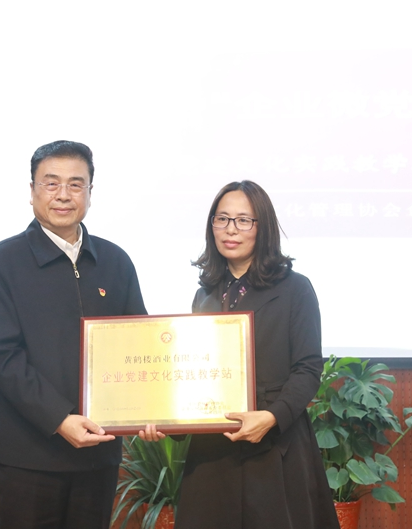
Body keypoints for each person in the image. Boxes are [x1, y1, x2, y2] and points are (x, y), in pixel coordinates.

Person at [141, 180, 339, 528]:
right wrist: (169, 423)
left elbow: (308, 368)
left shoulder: (295, 288)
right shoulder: (205, 295)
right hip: (212, 454)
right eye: (222, 219)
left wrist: (272, 417)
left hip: (274, 445)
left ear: (263, 228)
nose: (230, 229)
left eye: (243, 220)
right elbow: (194, 374)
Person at [0, 140, 147, 528]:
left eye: (76, 184)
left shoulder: (115, 262)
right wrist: (60, 419)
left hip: (98, 451)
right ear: (32, 190)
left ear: (90, 191)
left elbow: (139, 344)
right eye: (51, 183)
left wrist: (152, 413)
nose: (63, 195)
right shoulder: (2, 262)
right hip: (29, 455)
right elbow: (4, 358)